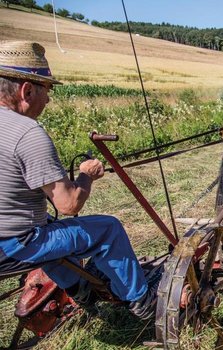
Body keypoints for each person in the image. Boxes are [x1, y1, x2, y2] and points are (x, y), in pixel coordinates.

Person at [0, 41, 158, 320]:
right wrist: (87, 174)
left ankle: (80, 289)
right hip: (13, 245)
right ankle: (141, 300)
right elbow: (69, 204)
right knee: (108, 228)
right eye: (47, 90)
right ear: (26, 90)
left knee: (52, 227)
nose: (48, 99)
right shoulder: (28, 133)